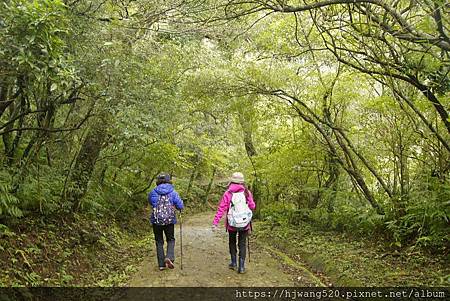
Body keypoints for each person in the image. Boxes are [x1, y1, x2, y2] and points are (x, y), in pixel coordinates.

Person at [212, 172, 256, 273]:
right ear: (242, 182)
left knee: (232, 242)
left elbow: (221, 209)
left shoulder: (228, 193)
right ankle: (241, 267)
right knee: (242, 243)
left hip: (232, 223)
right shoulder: (247, 192)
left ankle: (233, 263)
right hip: (244, 224)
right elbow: (252, 206)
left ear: (231, 181)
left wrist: (215, 223)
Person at [148, 173, 184, 271]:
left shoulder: (153, 192)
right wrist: (179, 208)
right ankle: (169, 257)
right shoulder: (173, 192)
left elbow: (150, 202)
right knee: (171, 239)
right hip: (169, 220)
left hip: (157, 220)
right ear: (169, 181)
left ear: (158, 181)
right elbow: (180, 205)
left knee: (159, 241)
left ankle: (161, 265)